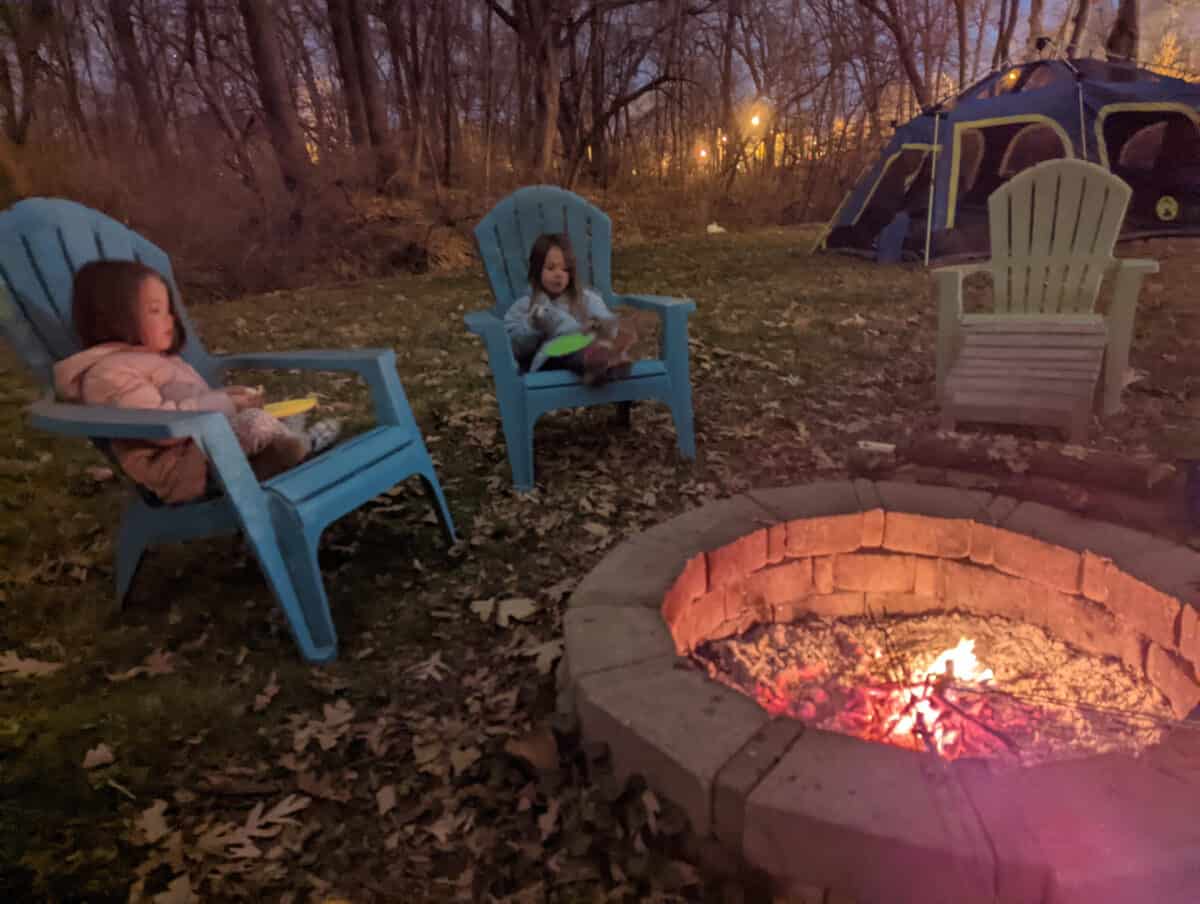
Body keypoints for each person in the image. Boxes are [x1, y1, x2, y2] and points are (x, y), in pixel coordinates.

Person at [54, 260, 340, 504]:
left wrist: (229, 395)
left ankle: (289, 448)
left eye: (169, 309)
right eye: (155, 310)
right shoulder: (109, 373)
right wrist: (227, 404)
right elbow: (161, 427)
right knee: (255, 422)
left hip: (206, 450)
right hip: (183, 470)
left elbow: (192, 401)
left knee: (274, 415)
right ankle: (294, 449)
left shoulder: (161, 360)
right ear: (113, 316)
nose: (169, 319)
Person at [503, 232, 637, 385]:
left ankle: (609, 361)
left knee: (592, 343)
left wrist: (599, 324)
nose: (559, 274)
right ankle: (601, 361)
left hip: (584, 351)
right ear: (537, 269)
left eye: (565, 269)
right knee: (570, 347)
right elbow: (513, 345)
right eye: (551, 268)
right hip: (547, 363)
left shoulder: (585, 299)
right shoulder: (526, 305)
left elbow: (608, 324)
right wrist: (531, 324)